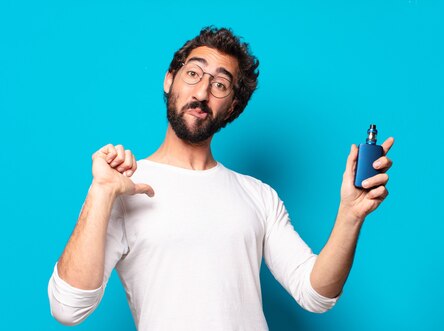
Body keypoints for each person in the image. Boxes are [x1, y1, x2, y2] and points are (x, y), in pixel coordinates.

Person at [47, 26, 394, 330]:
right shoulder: (123, 185)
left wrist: (350, 215)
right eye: (193, 74)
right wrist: (100, 192)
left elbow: (316, 294)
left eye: (220, 84)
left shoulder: (258, 196)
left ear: (232, 108)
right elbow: (67, 308)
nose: (201, 93)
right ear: (170, 80)